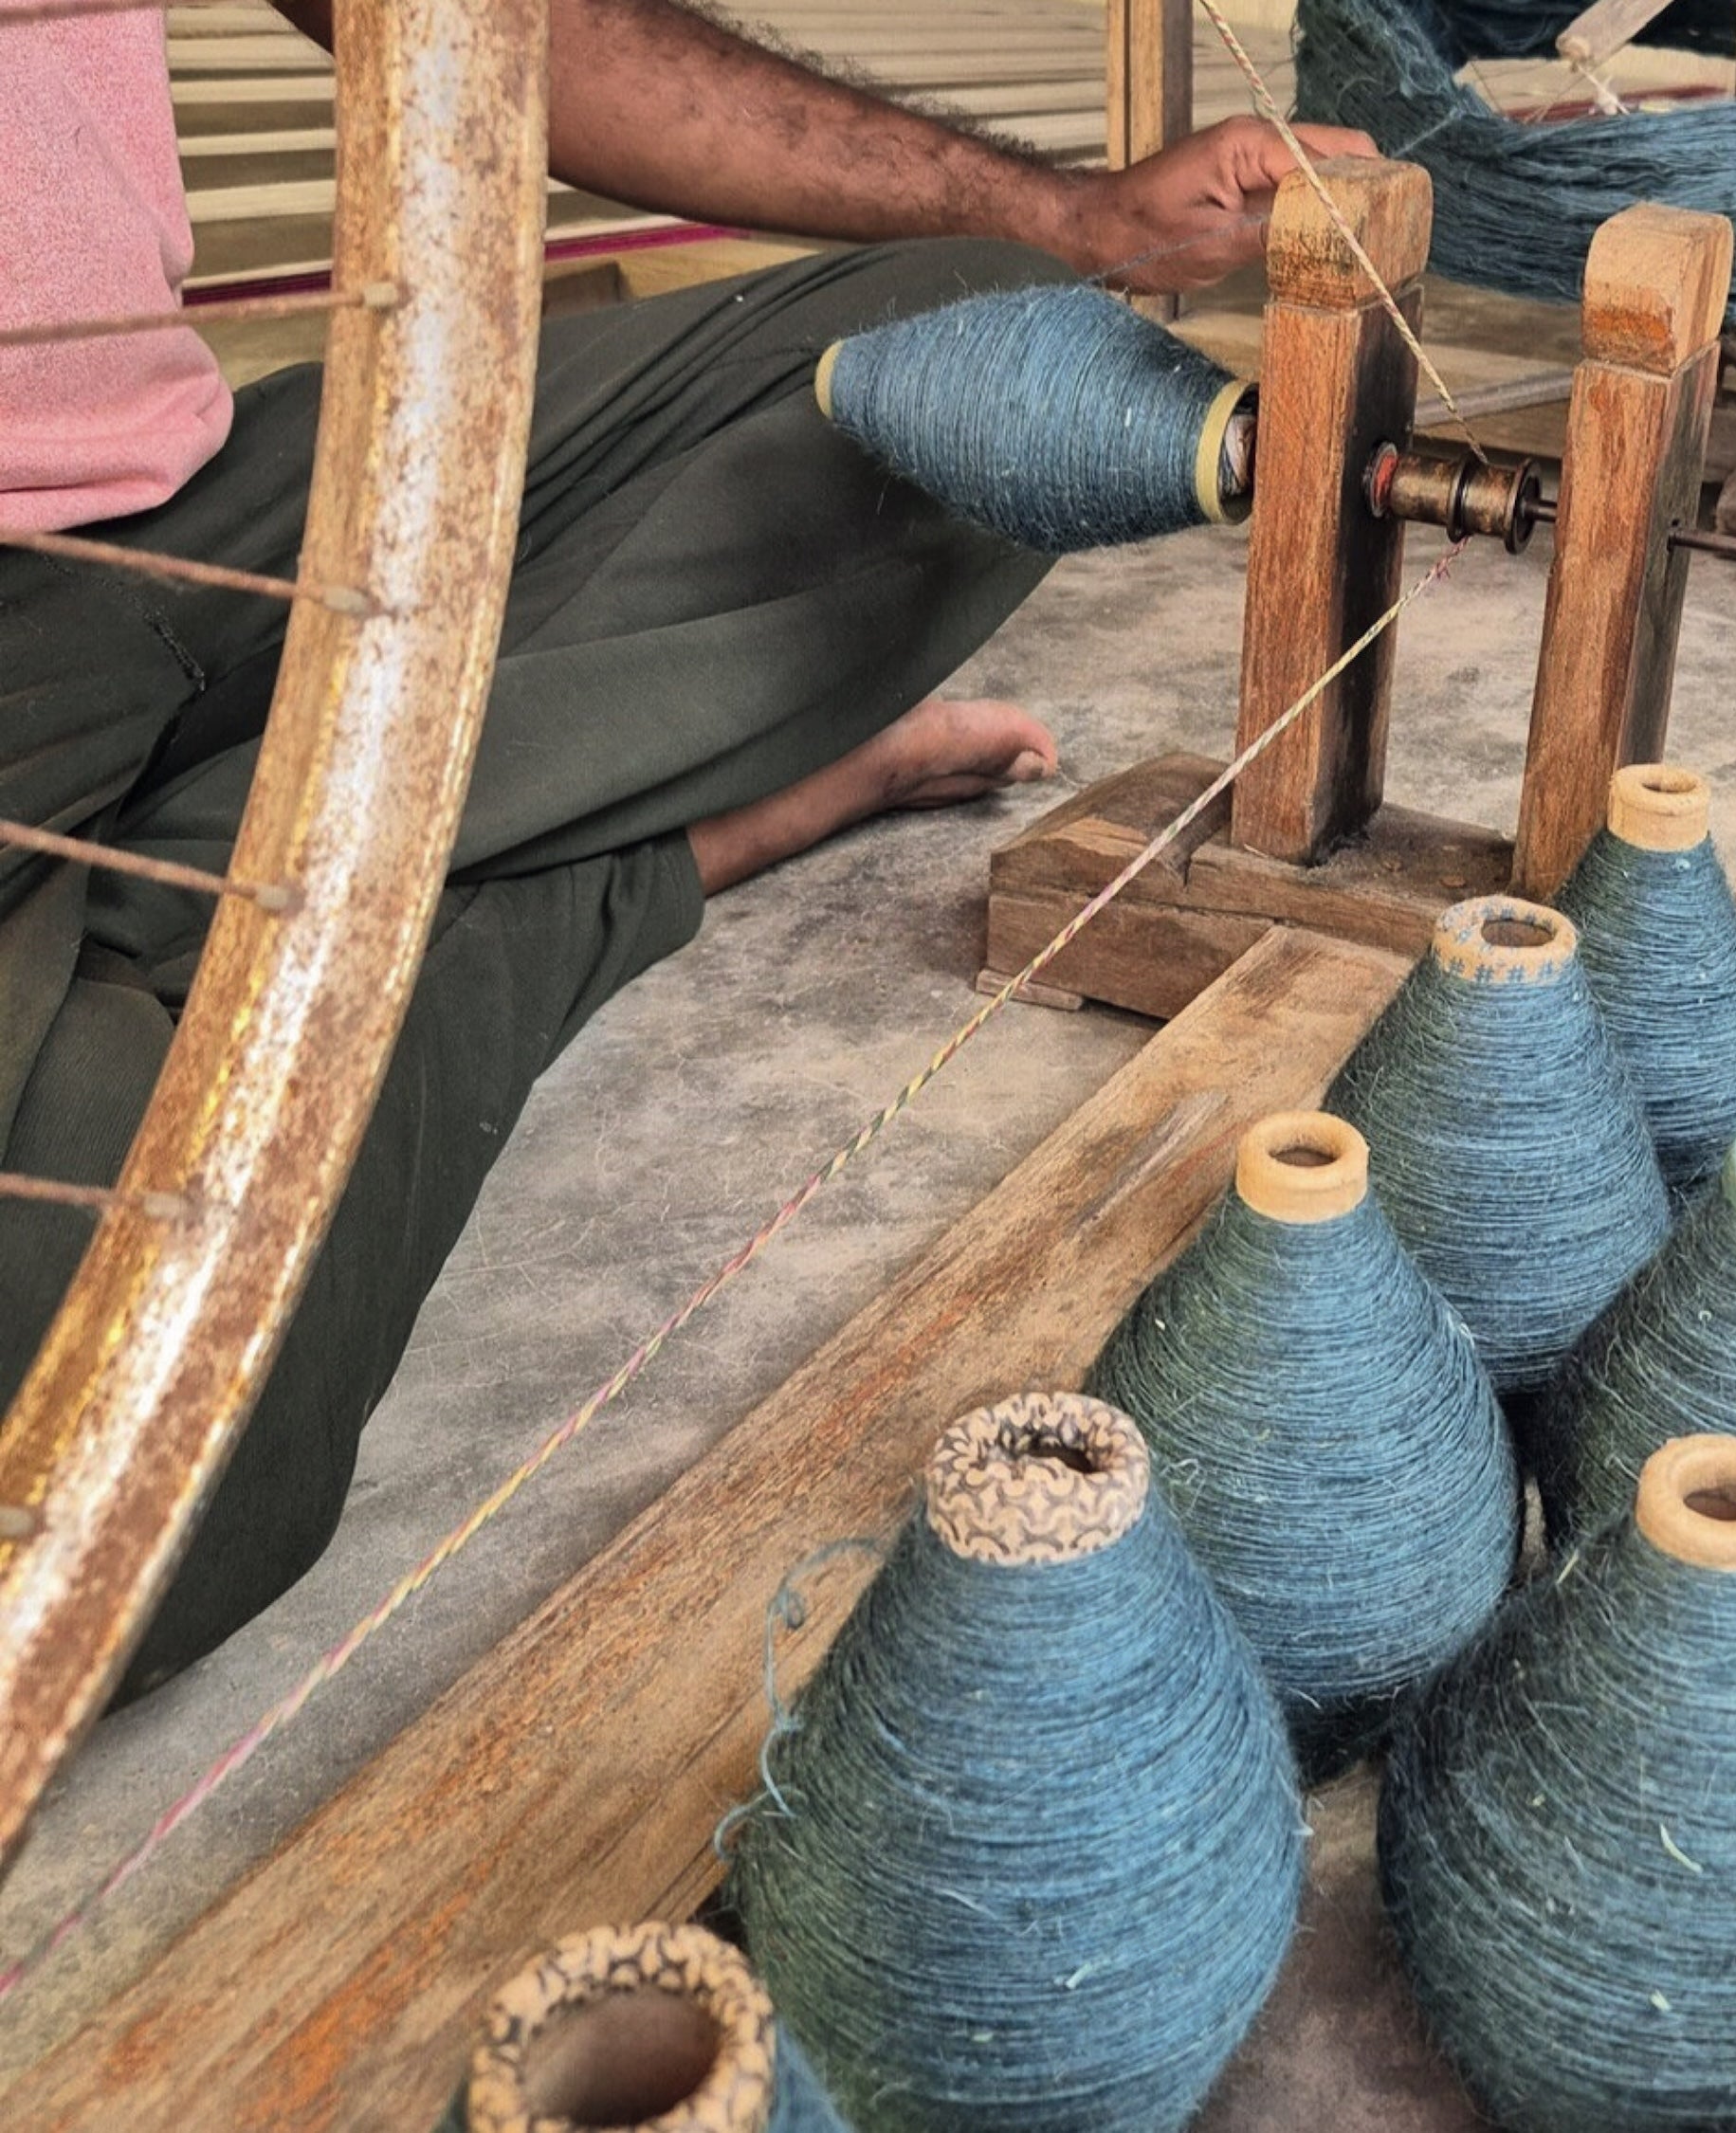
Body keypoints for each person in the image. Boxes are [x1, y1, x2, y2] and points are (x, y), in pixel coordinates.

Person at [0, 0, 1371, 1692]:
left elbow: (500, 32)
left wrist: (1081, 215)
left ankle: (344, 842)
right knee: (118, 1460)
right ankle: (653, 833)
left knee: (972, 336)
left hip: (201, 506)